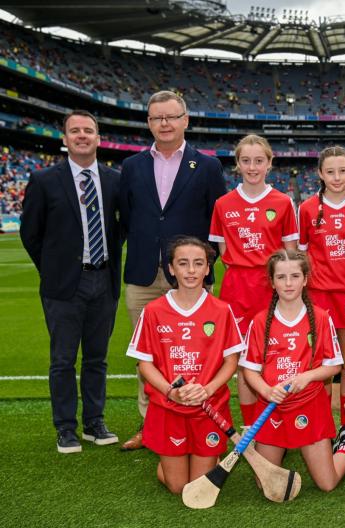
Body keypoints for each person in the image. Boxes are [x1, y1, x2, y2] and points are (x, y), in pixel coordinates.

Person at [119, 90, 227, 450]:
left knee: (198, 354)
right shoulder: (132, 166)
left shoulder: (208, 166)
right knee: (148, 357)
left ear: (185, 120)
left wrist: (202, 263)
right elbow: (127, 217)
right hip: (144, 275)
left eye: (171, 117)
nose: (164, 124)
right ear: (149, 123)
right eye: (156, 118)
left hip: (191, 277)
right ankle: (150, 426)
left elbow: (217, 221)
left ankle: (202, 419)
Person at [21, 110, 123, 453]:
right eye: (74, 131)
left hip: (103, 280)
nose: (82, 135)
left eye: (88, 130)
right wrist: (55, 269)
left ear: (98, 138)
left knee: (98, 358)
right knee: (63, 360)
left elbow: (119, 229)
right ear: (64, 139)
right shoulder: (44, 179)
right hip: (64, 285)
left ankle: (94, 421)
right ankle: (65, 427)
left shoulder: (114, 180)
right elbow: (30, 233)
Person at [126, 237, 244, 494]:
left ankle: (194, 457)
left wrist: (208, 389)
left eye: (198, 263)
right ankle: (171, 464)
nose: (191, 270)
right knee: (180, 488)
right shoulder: (154, 311)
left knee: (198, 487)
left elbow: (231, 361)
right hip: (169, 407)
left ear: (207, 269)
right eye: (183, 263)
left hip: (209, 408)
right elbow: (145, 364)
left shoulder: (222, 310)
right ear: (171, 268)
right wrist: (171, 391)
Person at [239, 249, 345, 492]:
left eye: (294, 276)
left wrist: (307, 376)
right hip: (273, 409)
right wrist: (267, 391)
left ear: (305, 279)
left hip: (310, 405)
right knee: (266, 487)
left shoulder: (320, 318)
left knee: (327, 484)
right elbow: (249, 370)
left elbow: (335, 365)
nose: (288, 283)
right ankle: (285, 446)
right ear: (272, 282)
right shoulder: (260, 321)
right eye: (281, 277)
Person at [208, 134, 298, 427]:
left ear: (269, 163)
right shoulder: (223, 204)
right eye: (245, 161)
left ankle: (276, 420)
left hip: (271, 289)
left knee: (275, 355)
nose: (252, 166)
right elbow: (223, 252)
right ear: (237, 164)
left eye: (259, 160)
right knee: (244, 361)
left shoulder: (283, 202)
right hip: (236, 290)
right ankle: (251, 427)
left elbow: (290, 253)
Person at [298, 146, 345, 442]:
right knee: (322, 364)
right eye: (330, 171)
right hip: (319, 294)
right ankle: (321, 424)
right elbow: (303, 254)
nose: (337, 177)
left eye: (342, 170)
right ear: (320, 173)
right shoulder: (306, 209)